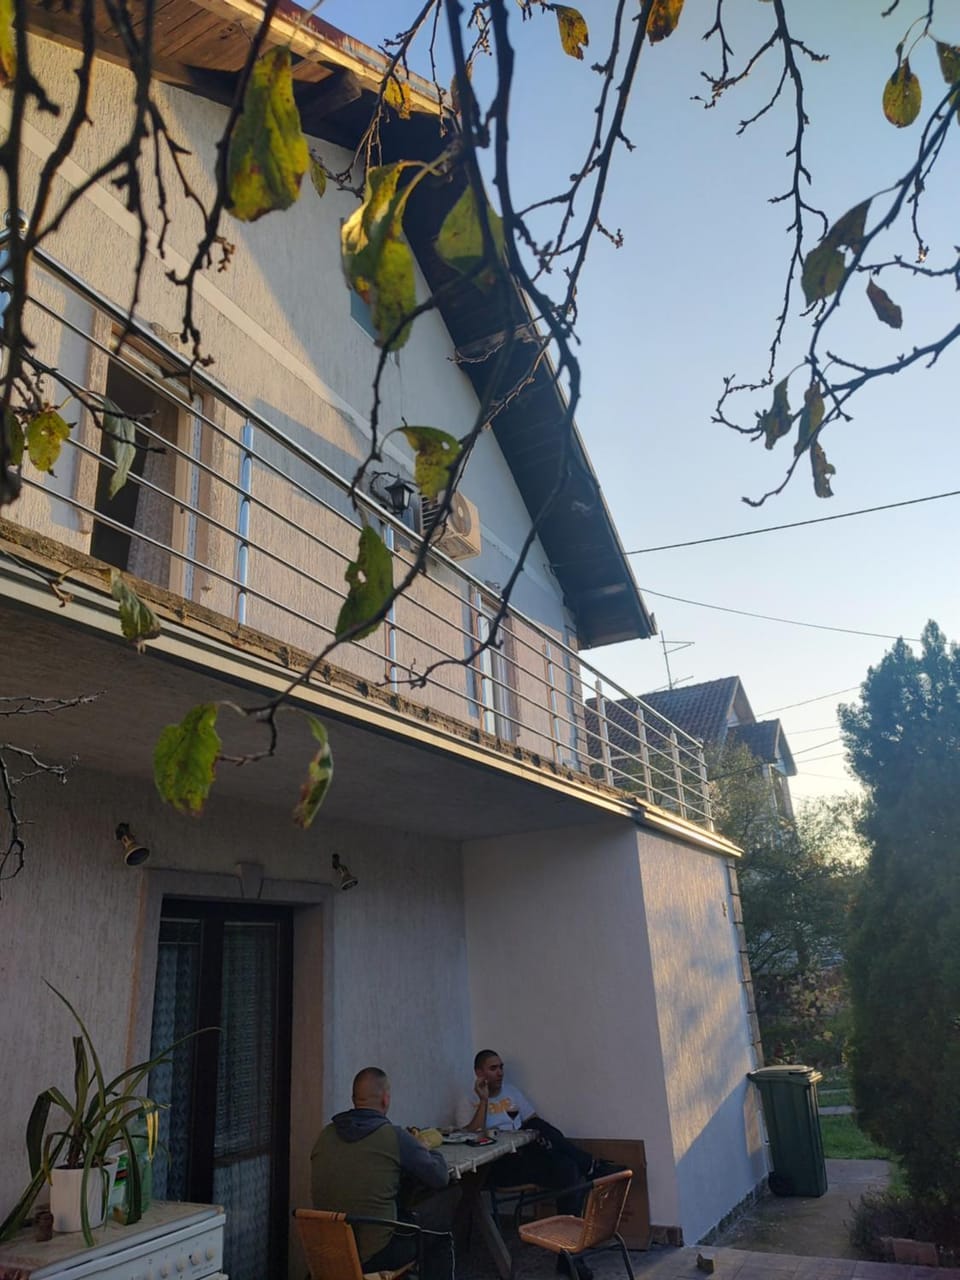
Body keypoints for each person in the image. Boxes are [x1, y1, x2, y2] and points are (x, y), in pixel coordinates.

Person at [311, 1066, 453, 1280]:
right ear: (386, 1100)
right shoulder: (393, 1136)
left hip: (330, 1251)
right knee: (438, 1230)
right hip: (375, 1254)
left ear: (354, 1099)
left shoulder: (325, 1134)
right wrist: (424, 1148)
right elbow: (440, 1177)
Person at [455, 1050, 594, 1213]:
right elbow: (472, 1135)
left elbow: (533, 1120)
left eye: (501, 1067)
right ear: (479, 1073)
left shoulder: (511, 1091)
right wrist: (484, 1100)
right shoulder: (467, 1100)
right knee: (569, 1169)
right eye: (493, 1069)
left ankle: (567, 1230)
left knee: (568, 1167)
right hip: (496, 1164)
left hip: (523, 1152)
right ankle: (591, 1165)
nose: (500, 1073)